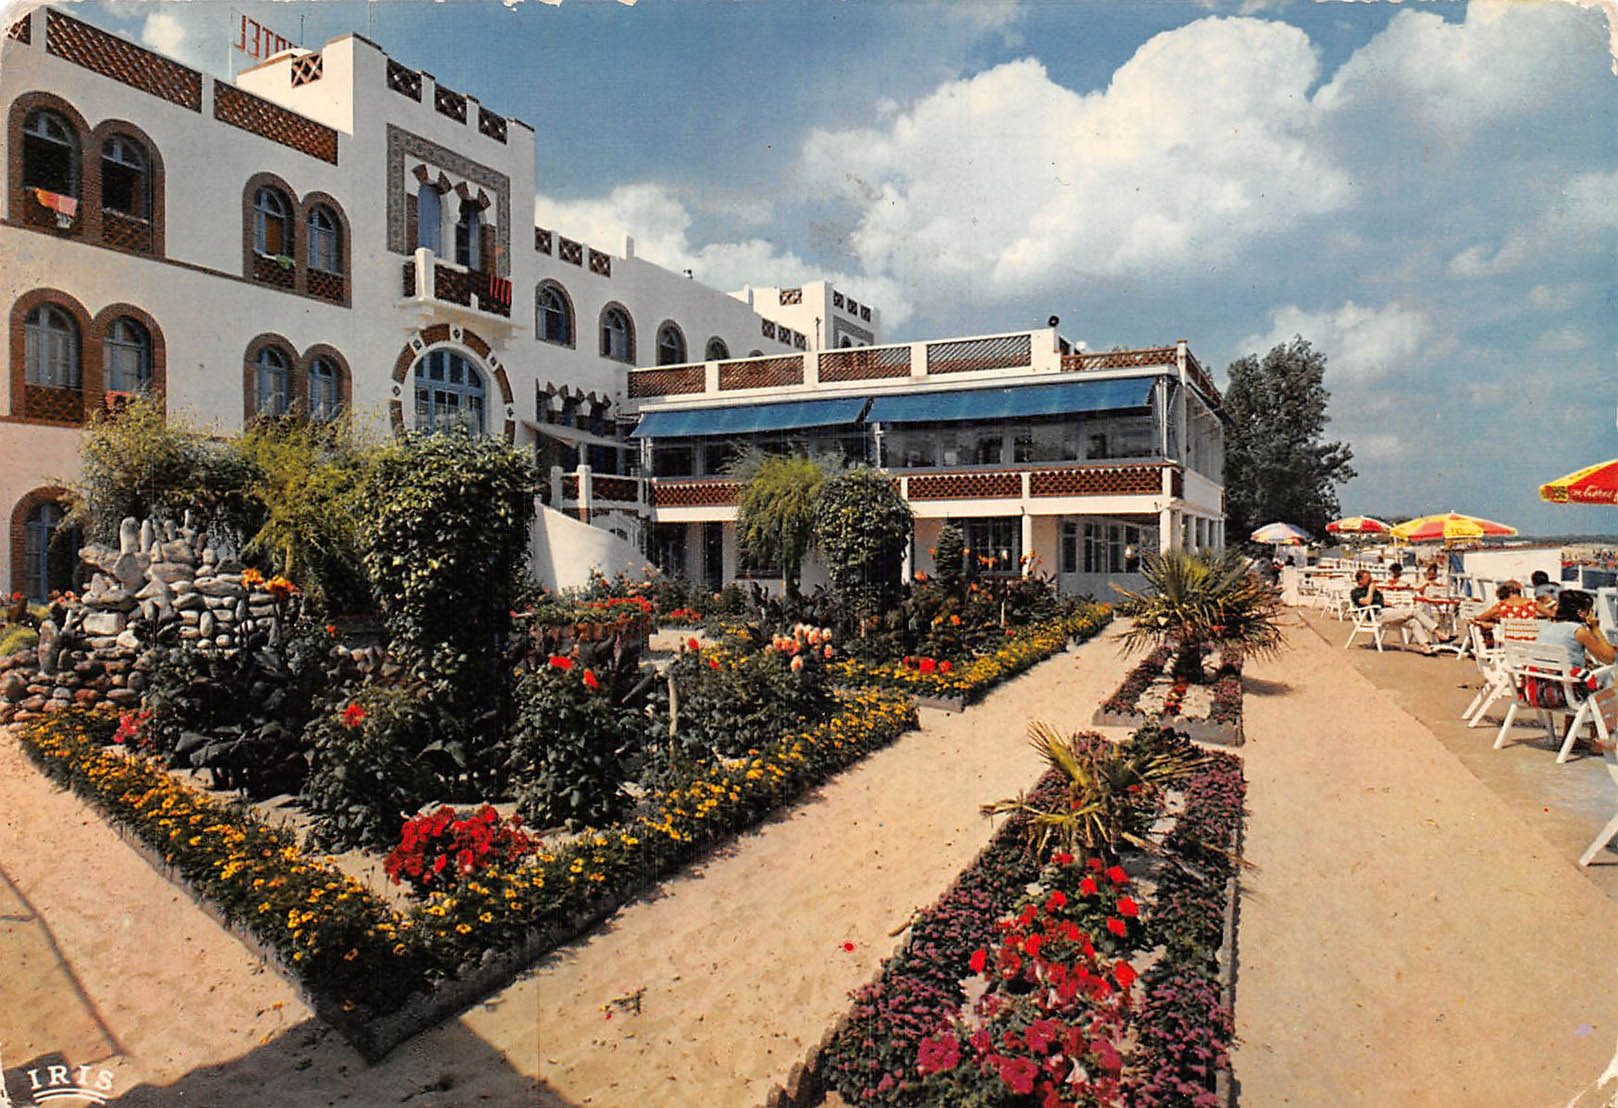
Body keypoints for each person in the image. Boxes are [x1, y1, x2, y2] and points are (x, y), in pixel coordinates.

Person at [1349, 569, 1444, 652]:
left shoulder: (1372, 589)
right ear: (1360, 580)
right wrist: (1371, 590)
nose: (1371, 580)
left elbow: (1379, 601)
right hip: (1377, 615)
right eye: (1368, 579)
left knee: (1414, 622)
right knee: (1414, 611)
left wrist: (1387, 603)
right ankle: (1438, 633)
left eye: (1370, 578)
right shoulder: (1356, 592)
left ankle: (1425, 647)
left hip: (1387, 613)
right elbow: (1367, 602)